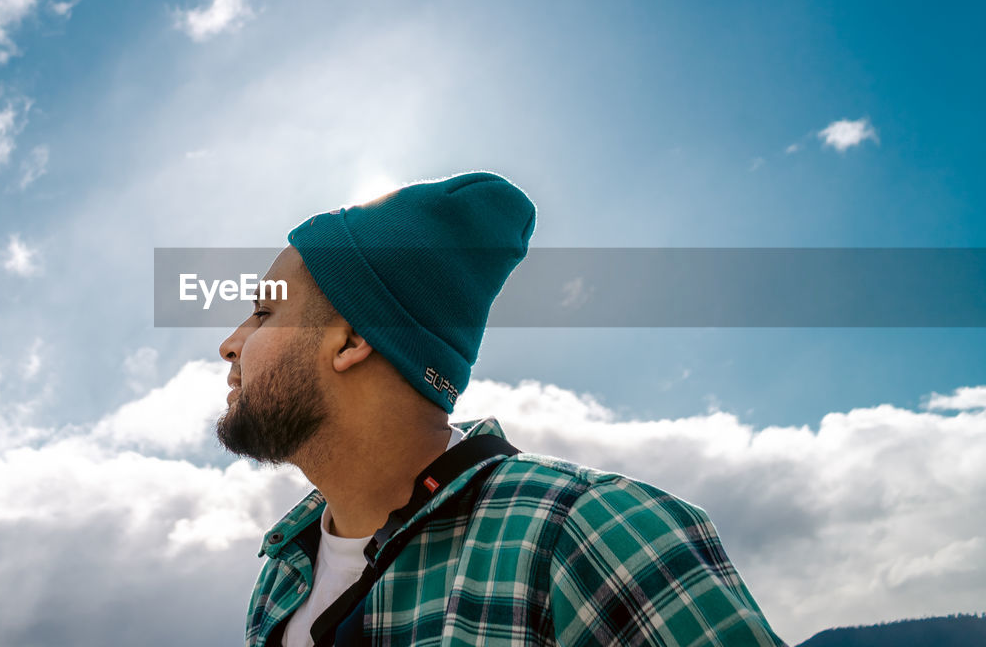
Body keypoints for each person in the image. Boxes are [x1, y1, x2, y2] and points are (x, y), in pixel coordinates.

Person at [215, 172, 785, 646]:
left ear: (350, 340)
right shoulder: (282, 574)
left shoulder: (589, 529)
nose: (230, 344)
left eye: (265, 313)